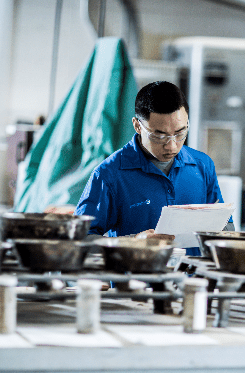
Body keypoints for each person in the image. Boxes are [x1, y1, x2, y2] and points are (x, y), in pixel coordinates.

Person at [75, 81, 233, 255]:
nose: (172, 146)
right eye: (159, 136)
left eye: (180, 133)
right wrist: (133, 243)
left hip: (193, 280)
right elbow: (78, 242)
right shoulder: (110, 175)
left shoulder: (202, 165)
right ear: (137, 126)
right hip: (134, 281)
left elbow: (226, 229)